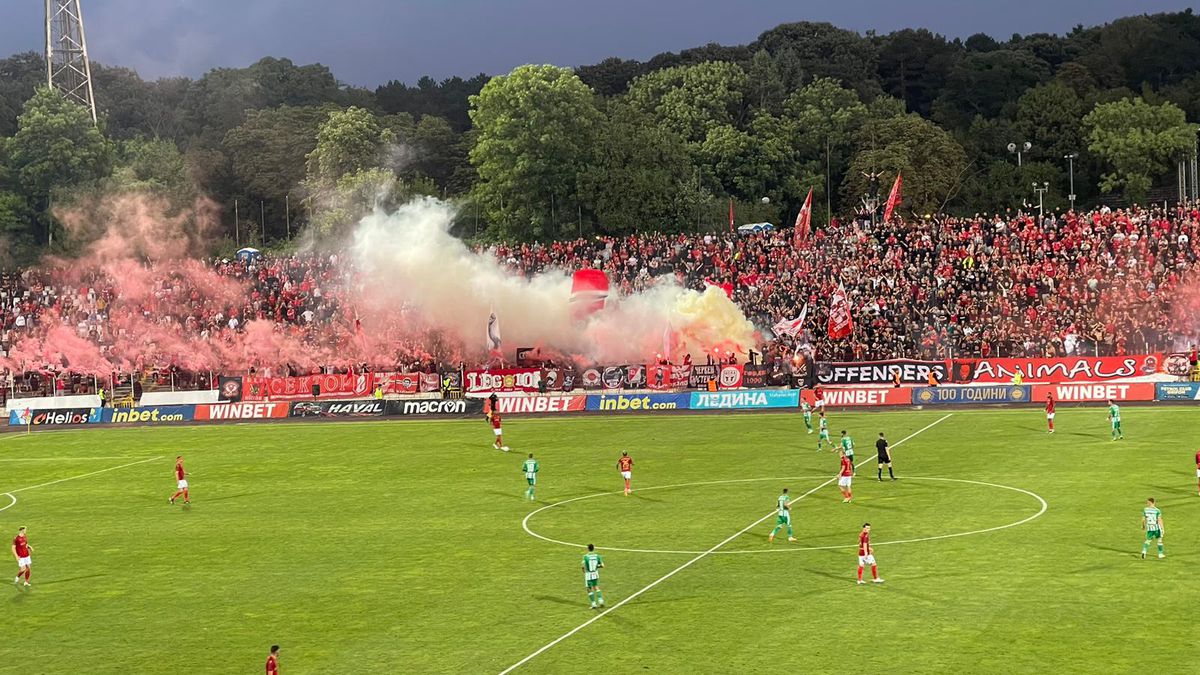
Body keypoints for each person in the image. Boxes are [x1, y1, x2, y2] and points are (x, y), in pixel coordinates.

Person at [582, 543, 605, 609]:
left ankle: (593, 603)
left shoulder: (585, 556)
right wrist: (596, 566)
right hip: (595, 573)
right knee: (596, 587)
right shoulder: (597, 556)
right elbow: (602, 565)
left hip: (588, 574)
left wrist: (584, 572)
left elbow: (583, 566)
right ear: (593, 548)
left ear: (588, 549)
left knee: (589, 589)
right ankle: (600, 600)